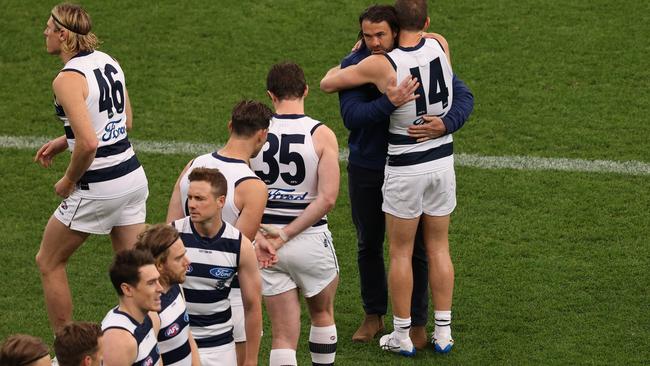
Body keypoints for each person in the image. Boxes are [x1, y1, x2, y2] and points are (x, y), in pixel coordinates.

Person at [321, 0, 460, 356]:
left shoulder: (380, 64)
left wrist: (356, 62)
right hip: (434, 162)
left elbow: (326, 82)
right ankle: (436, 330)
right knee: (390, 244)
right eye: (367, 36)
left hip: (403, 165)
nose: (373, 41)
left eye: (380, 34)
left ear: (396, 28)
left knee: (405, 252)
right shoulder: (438, 45)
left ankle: (410, 328)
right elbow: (353, 115)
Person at [35, 3, 148, 333]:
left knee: (49, 261)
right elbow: (123, 121)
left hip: (98, 187)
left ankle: (68, 350)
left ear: (63, 34)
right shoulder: (108, 61)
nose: (44, 33)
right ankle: (153, 340)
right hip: (132, 178)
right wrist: (64, 139)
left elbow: (88, 144)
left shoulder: (66, 79)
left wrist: (68, 179)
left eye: (48, 27)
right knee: (136, 271)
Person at [167, 100, 271, 366]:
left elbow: (169, 231)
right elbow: (236, 248)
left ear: (230, 126)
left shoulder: (193, 166)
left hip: (182, 295)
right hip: (228, 302)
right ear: (262, 135)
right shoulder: (253, 187)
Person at [250, 62, 340, 366]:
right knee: (322, 314)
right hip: (309, 239)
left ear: (270, 95)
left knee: (282, 336)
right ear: (305, 90)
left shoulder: (256, 134)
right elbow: (327, 199)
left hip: (264, 243)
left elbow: (241, 191)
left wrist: (269, 234)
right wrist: (287, 234)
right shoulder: (321, 134)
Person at [172, 168, 262, 366]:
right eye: (190, 198)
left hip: (219, 347)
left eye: (200, 198)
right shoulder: (172, 236)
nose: (192, 205)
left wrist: (251, 360)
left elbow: (252, 306)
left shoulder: (240, 245)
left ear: (220, 201)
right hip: (176, 342)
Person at [134, 224, 200, 366]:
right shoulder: (150, 311)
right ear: (159, 265)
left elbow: (187, 335)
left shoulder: (176, 286)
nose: (188, 262)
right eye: (179, 258)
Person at [101, 249, 162, 366]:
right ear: (127, 289)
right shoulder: (119, 342)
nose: (160, 288)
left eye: (158, 280)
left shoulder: (149, 316)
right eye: (151, 283)